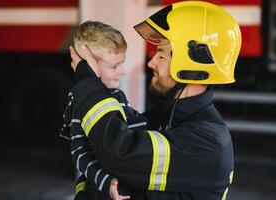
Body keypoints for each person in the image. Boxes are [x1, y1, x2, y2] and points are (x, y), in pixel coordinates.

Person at [68, 1, 241, 199]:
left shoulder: (208, 142)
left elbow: (117, 153)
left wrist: (90, 84)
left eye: (161, 56)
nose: (151, 62)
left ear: (192, 66)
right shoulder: (165, 119)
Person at [60, 21, 148, 200]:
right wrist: (105, 182)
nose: (122, 71)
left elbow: (132, 129)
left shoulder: (116, 94)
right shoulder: (81, 103)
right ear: (89, 65)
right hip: (103, 192)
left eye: (121, 63)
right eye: (114, 66)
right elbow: (80, 153)